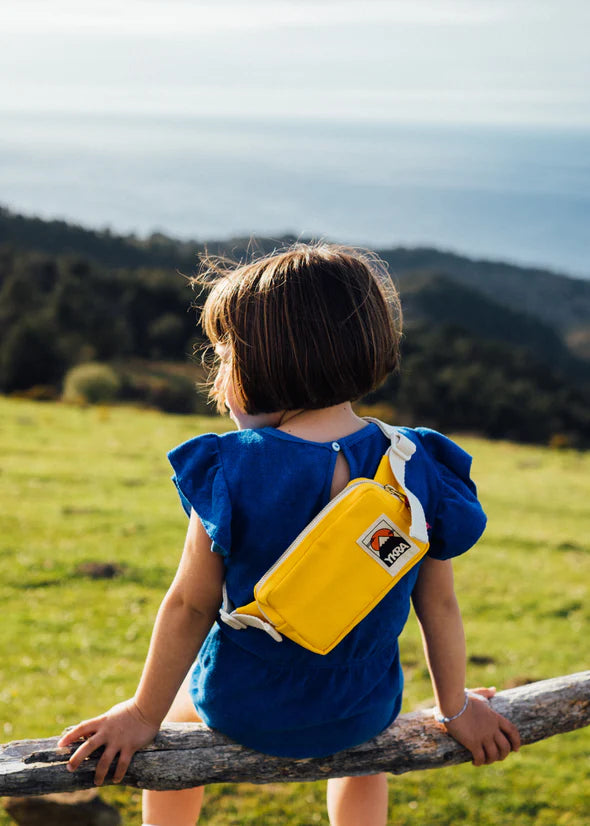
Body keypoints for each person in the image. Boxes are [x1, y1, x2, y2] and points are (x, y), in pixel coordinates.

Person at [59, 243, 520, 826]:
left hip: (245, 704)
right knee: (363, 764)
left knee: (176, 716)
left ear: (268, 362)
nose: (219, 377)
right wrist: (456, 710)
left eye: (225, 358)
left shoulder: (232, 469)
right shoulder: (419, 465)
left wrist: (142, 714)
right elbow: (440, 603)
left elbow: (188, 604)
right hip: (362, 707)